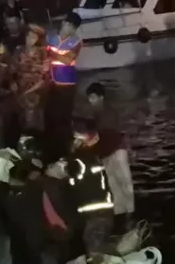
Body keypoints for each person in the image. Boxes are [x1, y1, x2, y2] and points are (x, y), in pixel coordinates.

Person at [79, 83, 135, 232]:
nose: (91, 100)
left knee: (123, 184)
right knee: (116, 186)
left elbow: (104, 134)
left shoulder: (106, 113)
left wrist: (86, 144)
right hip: (107, 153)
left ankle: (128, 215)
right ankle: (122, 217)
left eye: (93, 97)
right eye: (89, 98)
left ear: (101, 97)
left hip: (116, 151)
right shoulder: (97, 114)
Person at [42, 12, 83, 162]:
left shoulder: (77, 42)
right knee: (50, 115)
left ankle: (66, 151)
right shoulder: (50, 37)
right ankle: (50, 149)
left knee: (64, 117)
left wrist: (50, 53)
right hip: (51, 82)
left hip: (67, 84)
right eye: (69, 25)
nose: (70, 29)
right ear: (64, 23)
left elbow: (68, 60)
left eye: (74, 27)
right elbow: (42, 53)